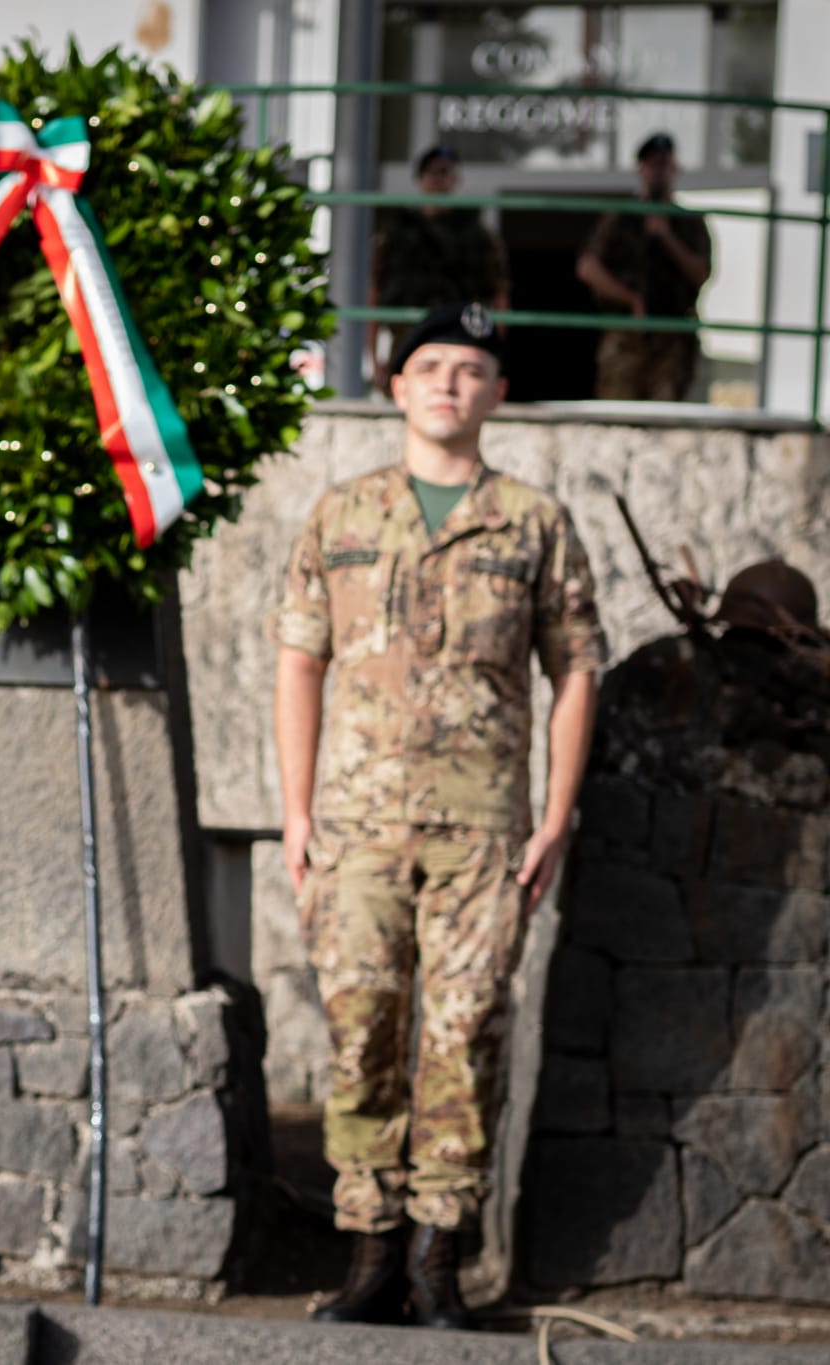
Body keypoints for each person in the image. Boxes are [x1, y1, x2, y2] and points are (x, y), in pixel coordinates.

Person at [270, 301, 606, 1330]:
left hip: (482, 835)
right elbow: (298, 660)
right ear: (396, 384)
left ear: (496, 393)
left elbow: (576, 668)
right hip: (356, 830)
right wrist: (293, 811)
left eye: (469, 369)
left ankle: (434, 1261)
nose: (448, 384)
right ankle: (368, 1254)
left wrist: (553, 817)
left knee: (462, 1040)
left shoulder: (532, 521)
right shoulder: (341, 515)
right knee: (361, 1029)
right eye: (429, 366)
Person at [575, 132, 712, 401]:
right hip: (625, 333)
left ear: (674, 168)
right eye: (652, 164)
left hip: (673, 334)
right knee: (618, 410)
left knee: (666, 416)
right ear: (641, 169)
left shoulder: (689, 222)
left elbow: (702, 274)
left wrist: (667, 236)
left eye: (664, 163)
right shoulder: (620, 217)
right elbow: (587, 266)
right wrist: (631, 299)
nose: (658, 171)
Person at [368, 145, 510, 390]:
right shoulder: (395, 234)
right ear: (420, 179)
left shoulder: (476, 233)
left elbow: (498, 293)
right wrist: (371, 356)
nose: (438, 179)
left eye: (445, 172)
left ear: (455, 179)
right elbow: (375, 292)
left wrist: (494, 348)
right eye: (431, 172)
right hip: (409, 334)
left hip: (460, 334)